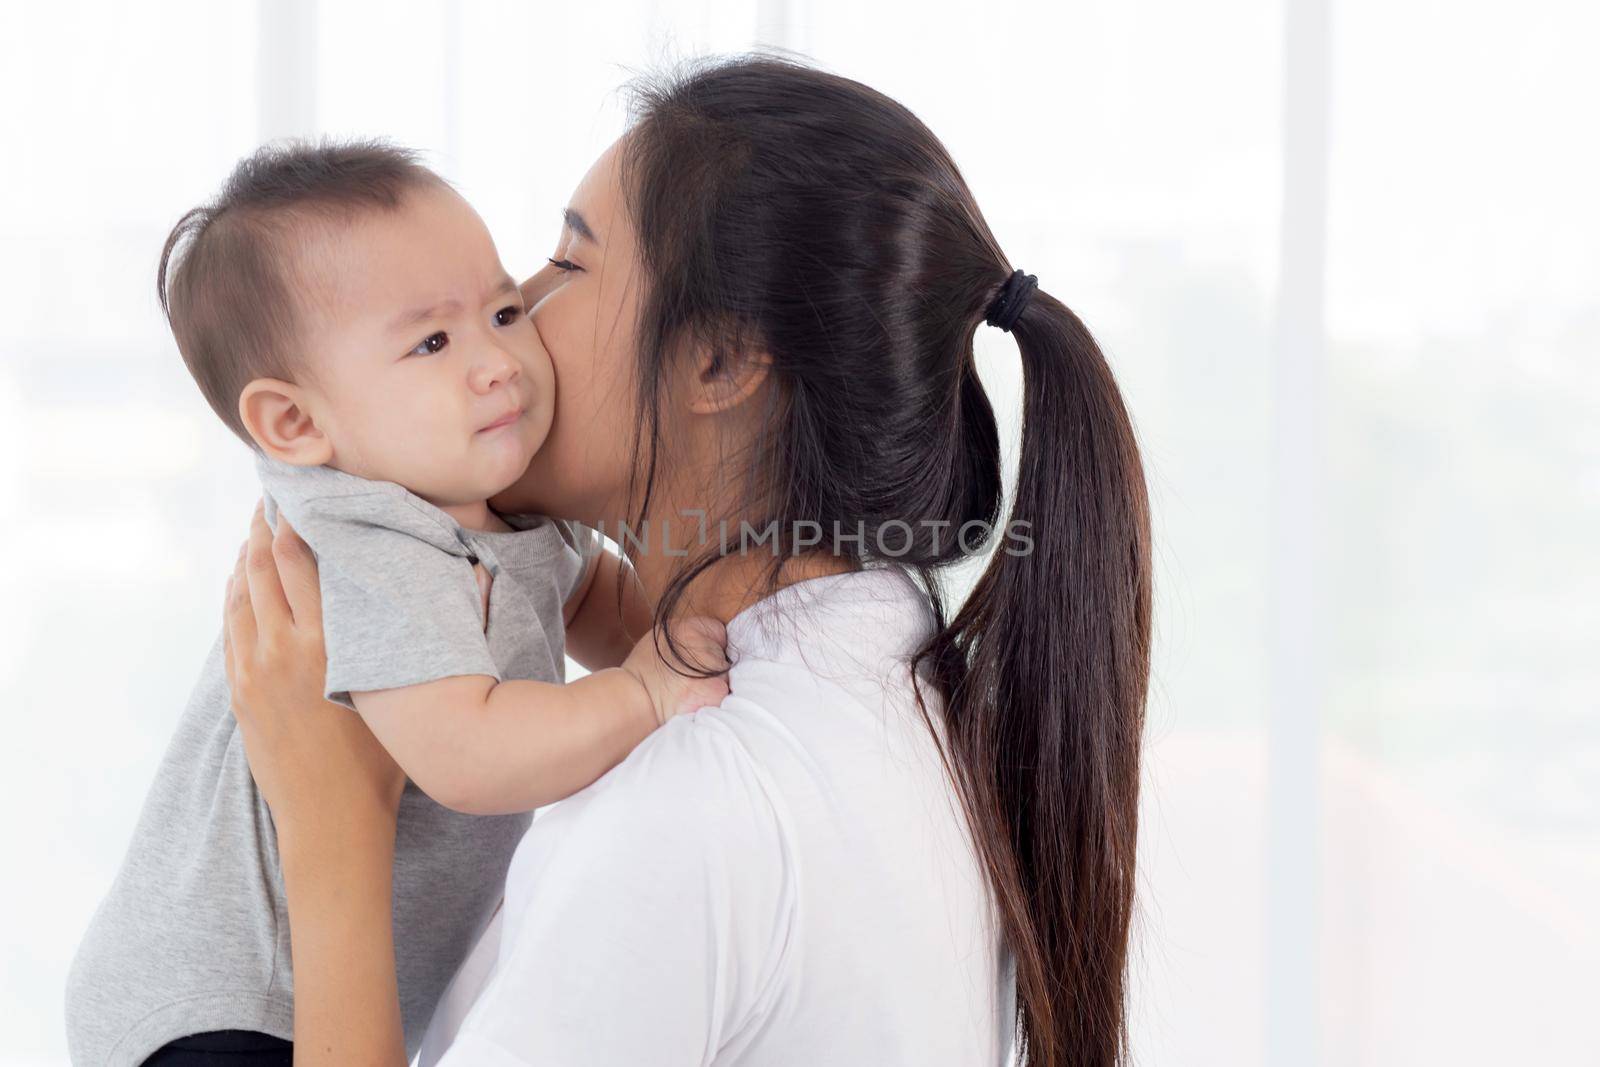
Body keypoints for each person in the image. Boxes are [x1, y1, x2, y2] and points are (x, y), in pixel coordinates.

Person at [224, 54, 1153, 1066]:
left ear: (715, 360)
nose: (515, 316)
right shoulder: (907, 691)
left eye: (565, 267)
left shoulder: (690, 812)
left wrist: (330, 831)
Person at [65, 140, 729, 1067]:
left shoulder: (478, 493)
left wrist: (701, 637)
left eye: (503, 310)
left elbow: (598, 604)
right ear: (296, 423)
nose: (498, 359)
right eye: (431, 342)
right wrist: (642, 695)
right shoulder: (377, 543)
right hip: (233, 1003)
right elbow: (468, 748)